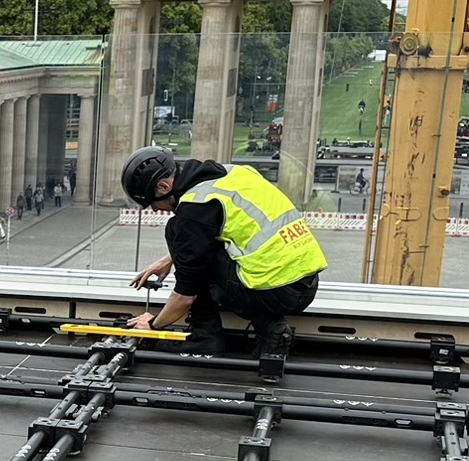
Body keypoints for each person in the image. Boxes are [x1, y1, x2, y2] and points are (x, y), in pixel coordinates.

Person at [119, 144, 325, 361]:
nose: (155, 209)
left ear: (162, 186)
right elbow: (215, 231)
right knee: (206, 253)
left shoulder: (192, 210)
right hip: (306, 285)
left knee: (176, 232)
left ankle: (205, 336)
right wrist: (170, 258)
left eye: (151, 202)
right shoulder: (230, 174)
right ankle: (271, 328)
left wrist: (152, 325)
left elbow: (184, 297)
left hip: (275, 293)